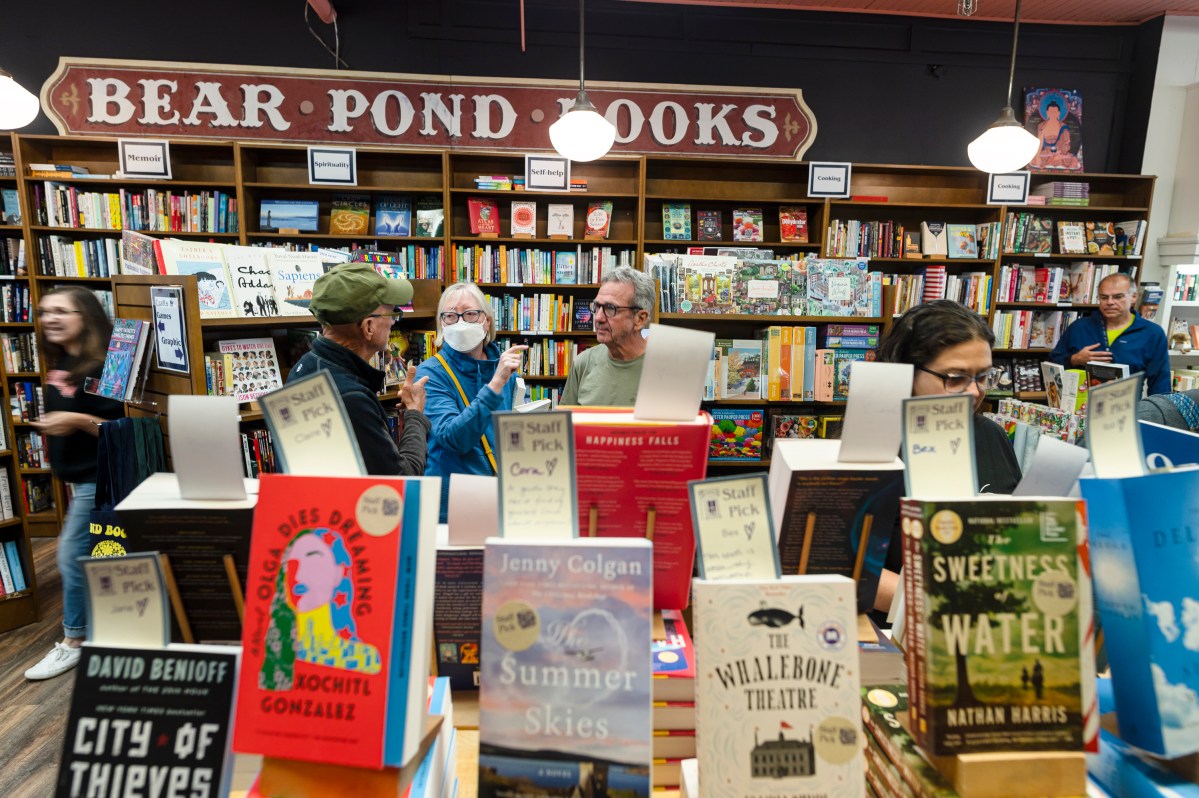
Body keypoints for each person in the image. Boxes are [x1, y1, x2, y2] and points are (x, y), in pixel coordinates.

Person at [873, 299, 1023, 611]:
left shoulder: (990, 435)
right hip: (895, 630)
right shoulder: (873, 446)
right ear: (907, 373)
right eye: (955, 378)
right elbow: (846, 569)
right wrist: (939, 601)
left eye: (983, 377)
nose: (974, 392)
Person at [23, 287, 124, 680]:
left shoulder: (106, 366)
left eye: (61, 311)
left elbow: (126, 430)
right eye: (45, 312)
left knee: (70, 556)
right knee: (98, 556)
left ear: (86, 316)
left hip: (99, 479)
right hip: (79, 481)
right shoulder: (64, 360)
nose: (50, 319)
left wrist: (78, 422)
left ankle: (75, 642)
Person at [288, 262, 430, 475]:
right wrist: (415, 414)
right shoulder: (351, 399)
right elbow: (401, 482)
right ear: (368, 327)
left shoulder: (305, 366)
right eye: (391, 314)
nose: (393, 323)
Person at [416, 282, 527, 520]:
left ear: (486, 321)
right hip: (452, 504)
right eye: (450, 316)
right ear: (441, 324)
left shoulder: (504, 368)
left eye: (469, 314)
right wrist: (495, 384)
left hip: (500, 499)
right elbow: (453, 438)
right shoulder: (430, 373)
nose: (460, 322)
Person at [1050, 273, 1170, 395]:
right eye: (1104, 297)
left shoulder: (1152, 333)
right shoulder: (1079, 327)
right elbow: (1051, 366)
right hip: (1079, 409)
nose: (1110, 302)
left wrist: (1155, 413)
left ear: (1133, 297)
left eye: (1118, 297)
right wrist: (1074, 360)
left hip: (1125, 410)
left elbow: (1161, 384)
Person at [560, 266, 654, 406]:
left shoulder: (665, 367)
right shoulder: (583, 363)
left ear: (640, 319)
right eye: (597, 307)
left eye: (611, 308)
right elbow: (566, 424)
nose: (598, 318)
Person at [1030, 95, 1080, 171]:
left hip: (1060, 154)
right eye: (1051, 111)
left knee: (1074, 160)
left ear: (1058, 113)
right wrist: (1038, 155)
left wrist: (1063, 150)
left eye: (1055, 111)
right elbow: (1039, 144)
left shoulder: (1063, 127)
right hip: (1045, 154)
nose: (1053, 113)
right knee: (1034, 159)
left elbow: (1067, 144)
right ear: (1047, 112)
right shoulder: (1041, 126)